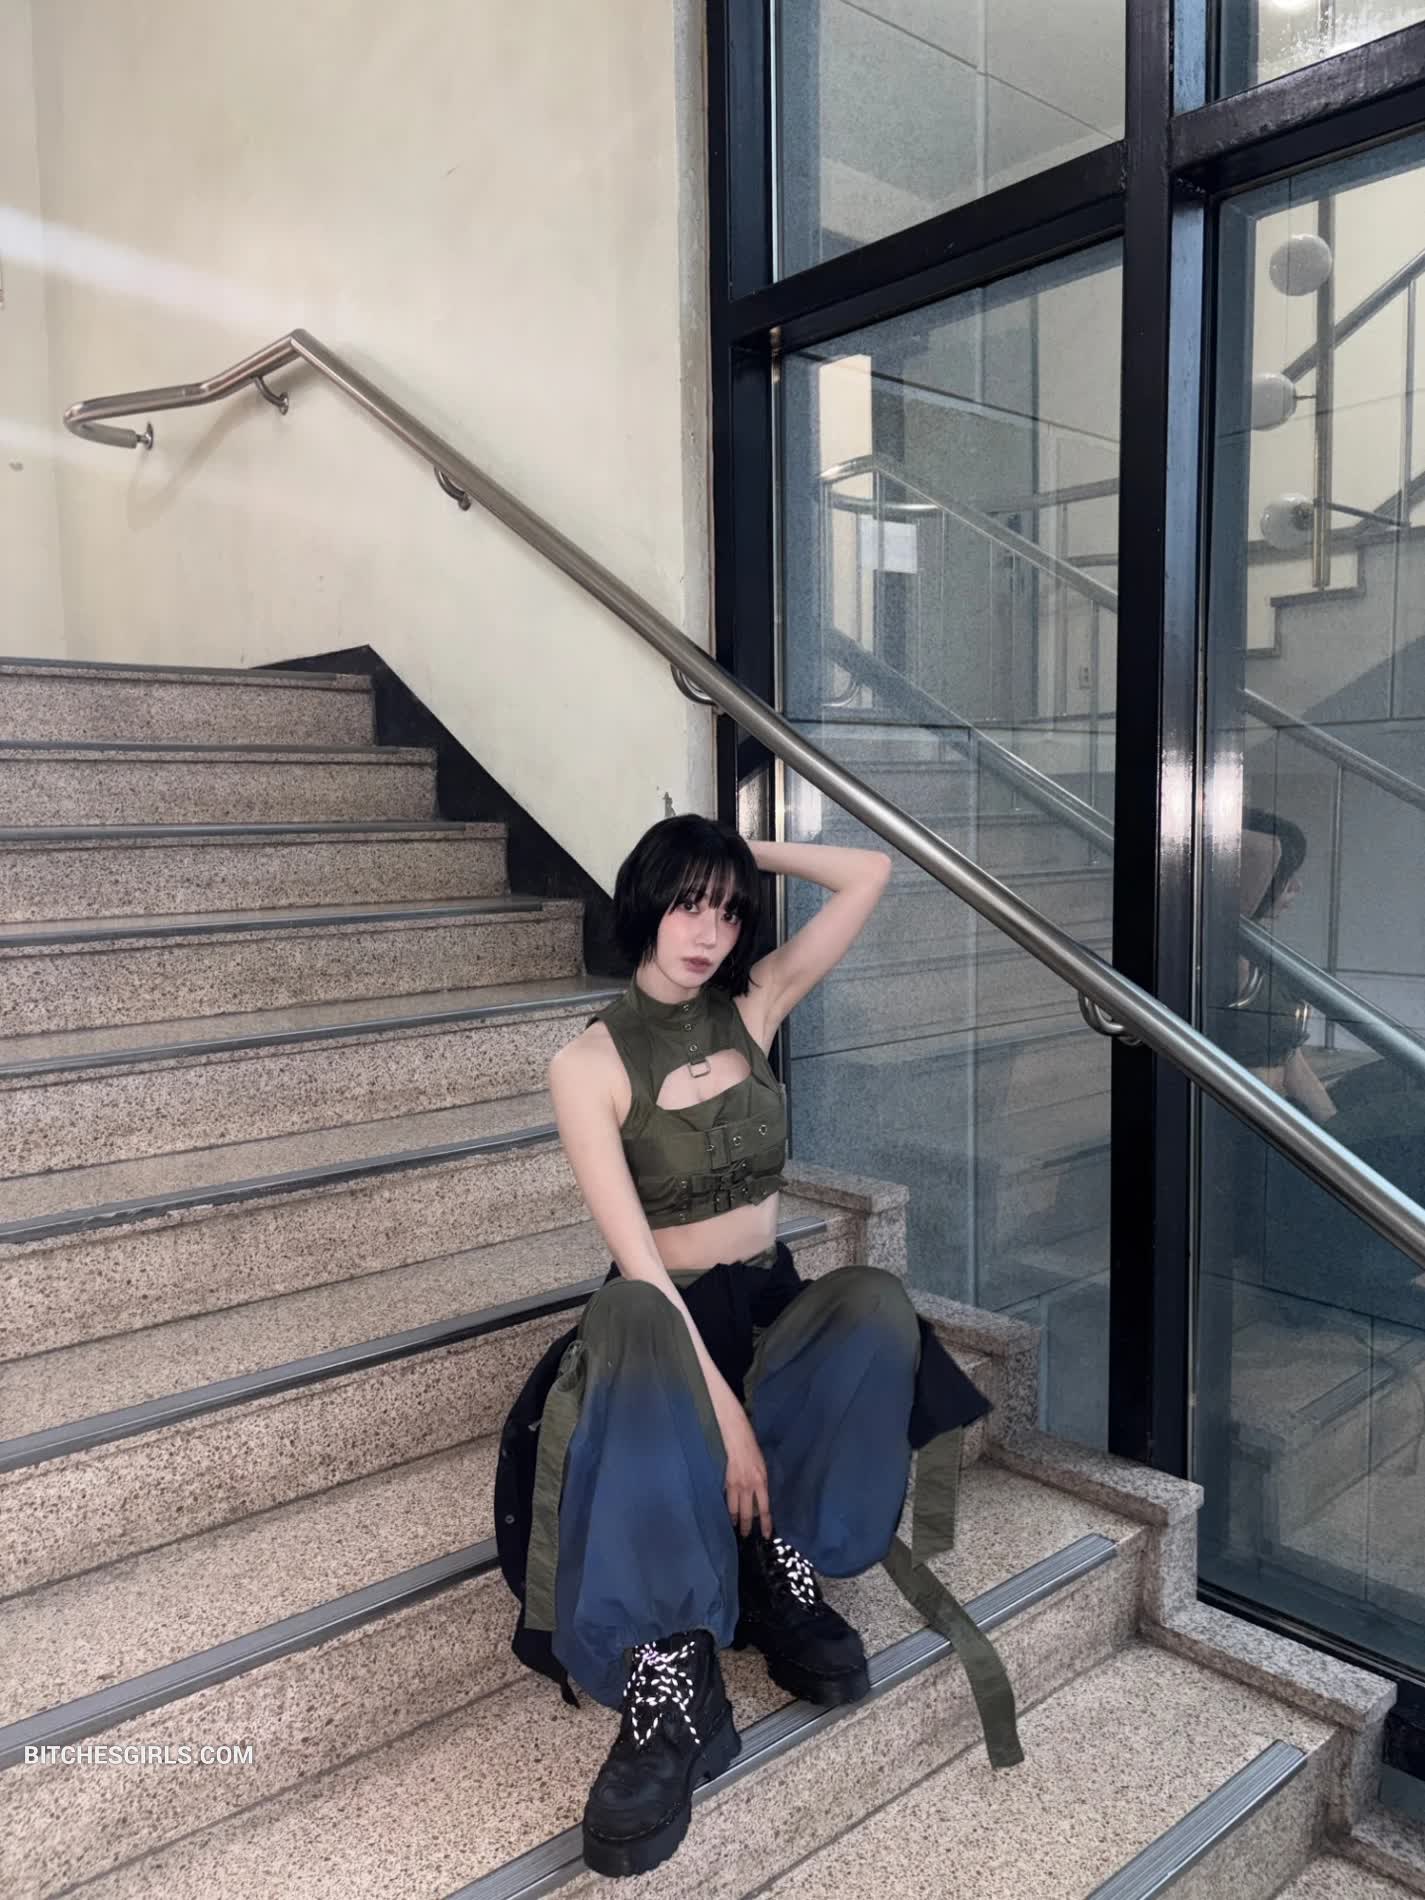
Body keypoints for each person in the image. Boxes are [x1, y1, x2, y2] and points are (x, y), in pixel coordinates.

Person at [493, 813, 1021, 1880]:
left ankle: (781, 1566)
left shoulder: (755, 1005)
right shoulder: (586, 1063)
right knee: (634, 1319)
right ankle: (673, 1674)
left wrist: (743, 852)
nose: (709, 932)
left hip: (766, 1301)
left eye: (729, 912)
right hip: (662, 1324)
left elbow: (867, 870)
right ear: (645, 902)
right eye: (688, 903)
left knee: (871, 1303)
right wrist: (727, 1416)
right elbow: (639, 1264)